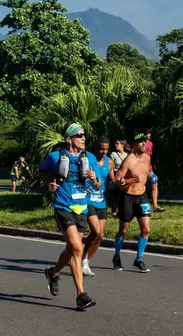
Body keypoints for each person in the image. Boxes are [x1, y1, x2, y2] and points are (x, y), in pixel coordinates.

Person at [39, 123, 96, 310]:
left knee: (72, 249)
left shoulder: (90, 158)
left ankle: (53, 273)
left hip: (82, 207)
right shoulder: (55, 156)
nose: (83, 138)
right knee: (78, 248)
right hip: (63, 205)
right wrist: (50, 184)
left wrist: (95, 178)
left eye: (84, 135)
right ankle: (81, 295)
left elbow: (97, 185)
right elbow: (42, 171)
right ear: (69, 139)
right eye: (79, 135)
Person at [113, 132, 153, 273]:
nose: (143, 144)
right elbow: (118, 180)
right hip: (127, 197)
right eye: (140, 142)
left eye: (145, 142)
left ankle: (139, 259)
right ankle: (117, 256)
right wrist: (130, 181)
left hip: (142, 197)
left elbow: (146, 174)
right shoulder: (128, 160)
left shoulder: (147, 158)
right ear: (134, 145)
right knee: (123, 230)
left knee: (146, 229)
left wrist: (151, 176)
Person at [81, 136, 114, 277]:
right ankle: (81, 258)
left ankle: (85, 261)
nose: (104, 151)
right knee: (96, 231)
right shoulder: (88, 159)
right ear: (96, 147)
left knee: (100, 236)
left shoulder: (110, 162)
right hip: (88, 200)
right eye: (101, 148)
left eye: (106, 149)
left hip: (101, 201)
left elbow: (112, 179)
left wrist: (119, 182)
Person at [145, 129, 165, 212]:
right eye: (146, 137)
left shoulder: (150, 144)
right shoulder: (138, 144)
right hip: (139, 168)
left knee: (154, 179)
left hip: (148, 168)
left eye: (149, 137)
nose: (148, 139)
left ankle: (155, 205)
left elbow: (149, 157)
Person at [108, 139, 129, 217]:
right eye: (115, 144)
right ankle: (114, 211)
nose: (116, 145)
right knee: (116, 194)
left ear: (122, 145)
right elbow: (111, 167)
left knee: (124, 194)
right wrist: (112, 178)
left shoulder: (127, 154)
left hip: (125, 176)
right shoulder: (113, 154)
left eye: (118, 143)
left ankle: (123, 210)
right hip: (116, 174)